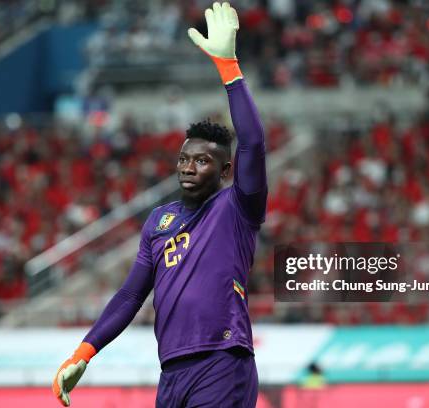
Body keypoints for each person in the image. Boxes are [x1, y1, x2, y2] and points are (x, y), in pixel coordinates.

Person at [52, 3, 267, 407]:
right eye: (184, 159)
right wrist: (85, 351)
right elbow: (131, 296)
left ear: (225, 171)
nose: (188, 167)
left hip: (222, 361)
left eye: (202, 160)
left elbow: (253, 144)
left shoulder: (237, 209)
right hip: (171, 372)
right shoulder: (158, 220)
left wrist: (228, 68)